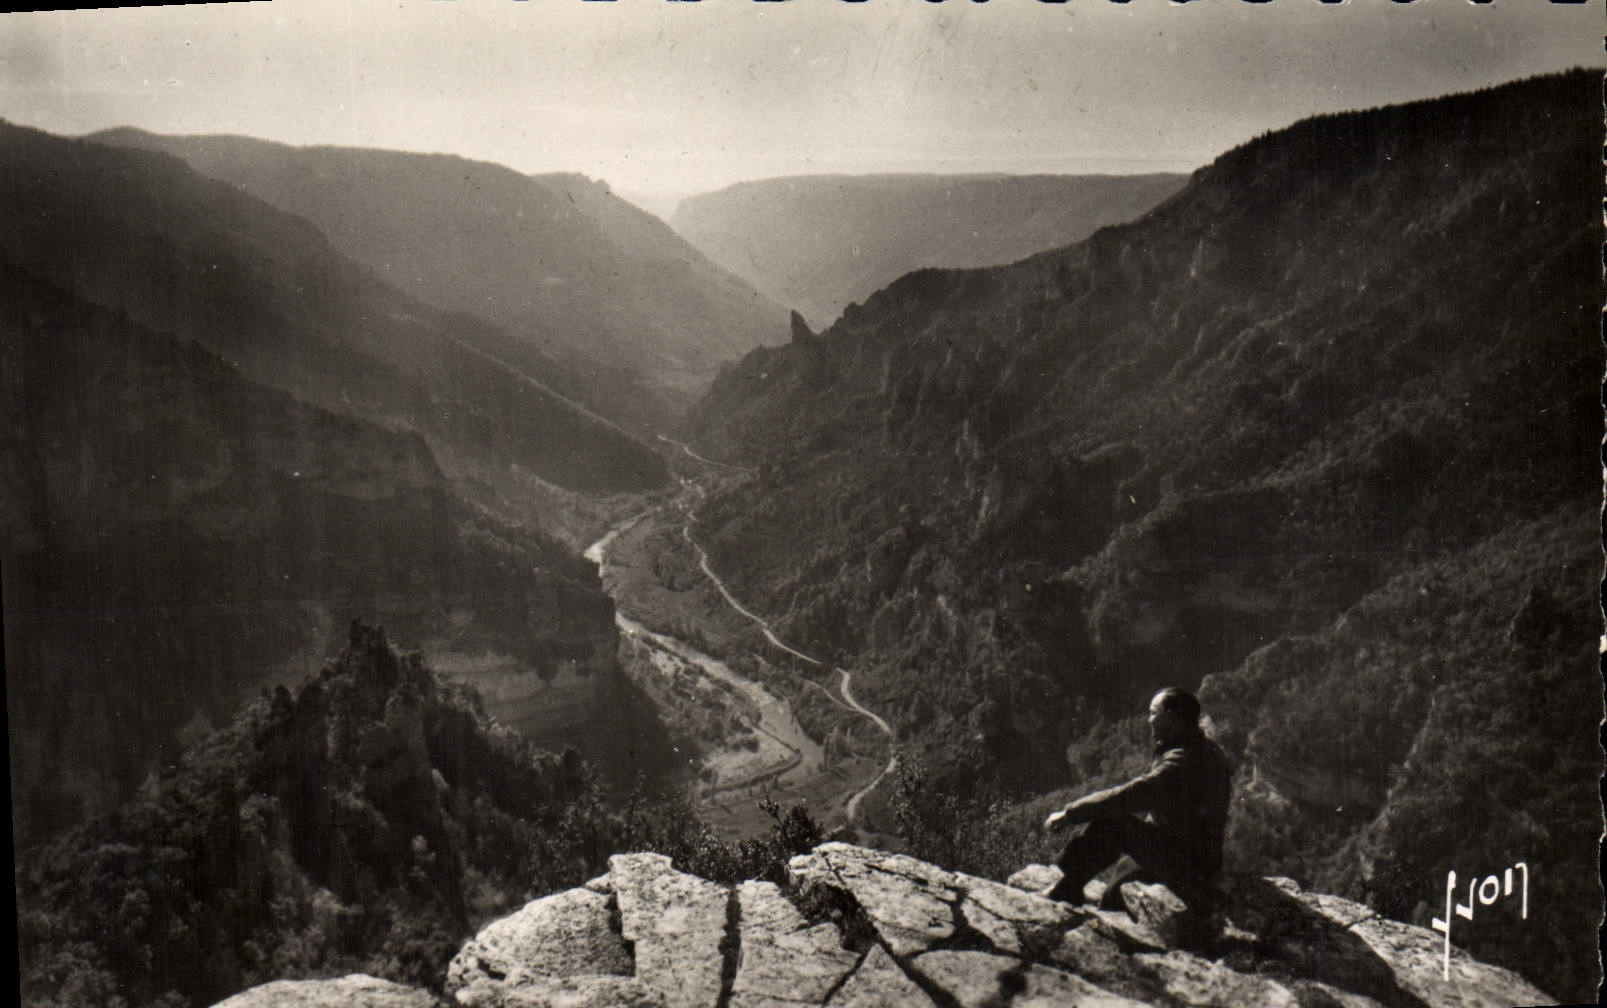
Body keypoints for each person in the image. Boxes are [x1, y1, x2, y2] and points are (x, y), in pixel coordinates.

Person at [1043, 687, 1232, 909]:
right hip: (1193, 855)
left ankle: (1067, 890)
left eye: (1153, 713)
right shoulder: (1200, 748)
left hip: (1187, 863)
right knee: (1113, 896)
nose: (1149, 720)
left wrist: (1070, 814)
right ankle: (1080, 893)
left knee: (1114, 823)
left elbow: (1129, 796)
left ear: (1170, 717)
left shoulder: (1181, 762)